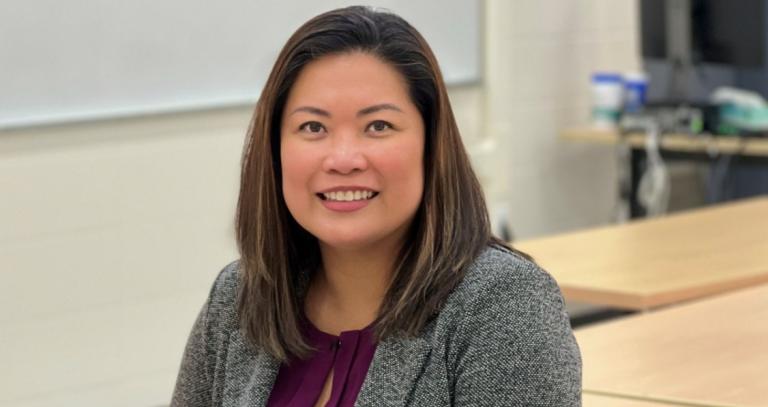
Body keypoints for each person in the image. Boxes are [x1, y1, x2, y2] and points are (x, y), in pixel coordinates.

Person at [171, 6, 581, 407]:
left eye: (378, 126)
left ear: (431, 145)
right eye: (313, 127)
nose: (344, 158)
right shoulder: (241, 295)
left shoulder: (502, 306)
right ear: (275, 150)